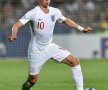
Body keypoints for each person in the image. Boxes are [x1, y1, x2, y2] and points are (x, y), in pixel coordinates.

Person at [8, 0, 92, 90]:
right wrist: (14, 34)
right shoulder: (33, 13)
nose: (47, 0)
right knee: (32, 80)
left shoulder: (55, 11)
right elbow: (17, 25)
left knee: (74, 62)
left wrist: (82, 29)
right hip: (36, 51)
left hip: (50, 46)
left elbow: (65, 20)